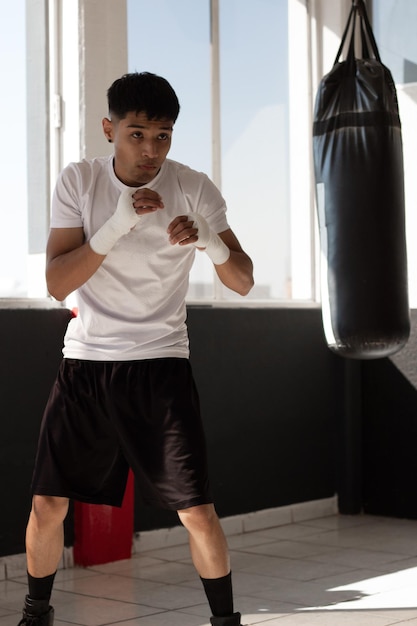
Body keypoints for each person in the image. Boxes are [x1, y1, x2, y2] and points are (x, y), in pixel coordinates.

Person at [18, 71, 254, 626]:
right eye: (137, 134)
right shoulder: (79, 181)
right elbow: (56, 283)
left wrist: (210, 241)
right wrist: (115, 227)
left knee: (196, 511)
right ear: (110, 129)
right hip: (87, 363)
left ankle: (225, 622)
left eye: (163, 136)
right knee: (48, 504)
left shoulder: (193, 187)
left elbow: (241, 280)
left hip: (161, 365)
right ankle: (36, 614)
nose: (151, 150)